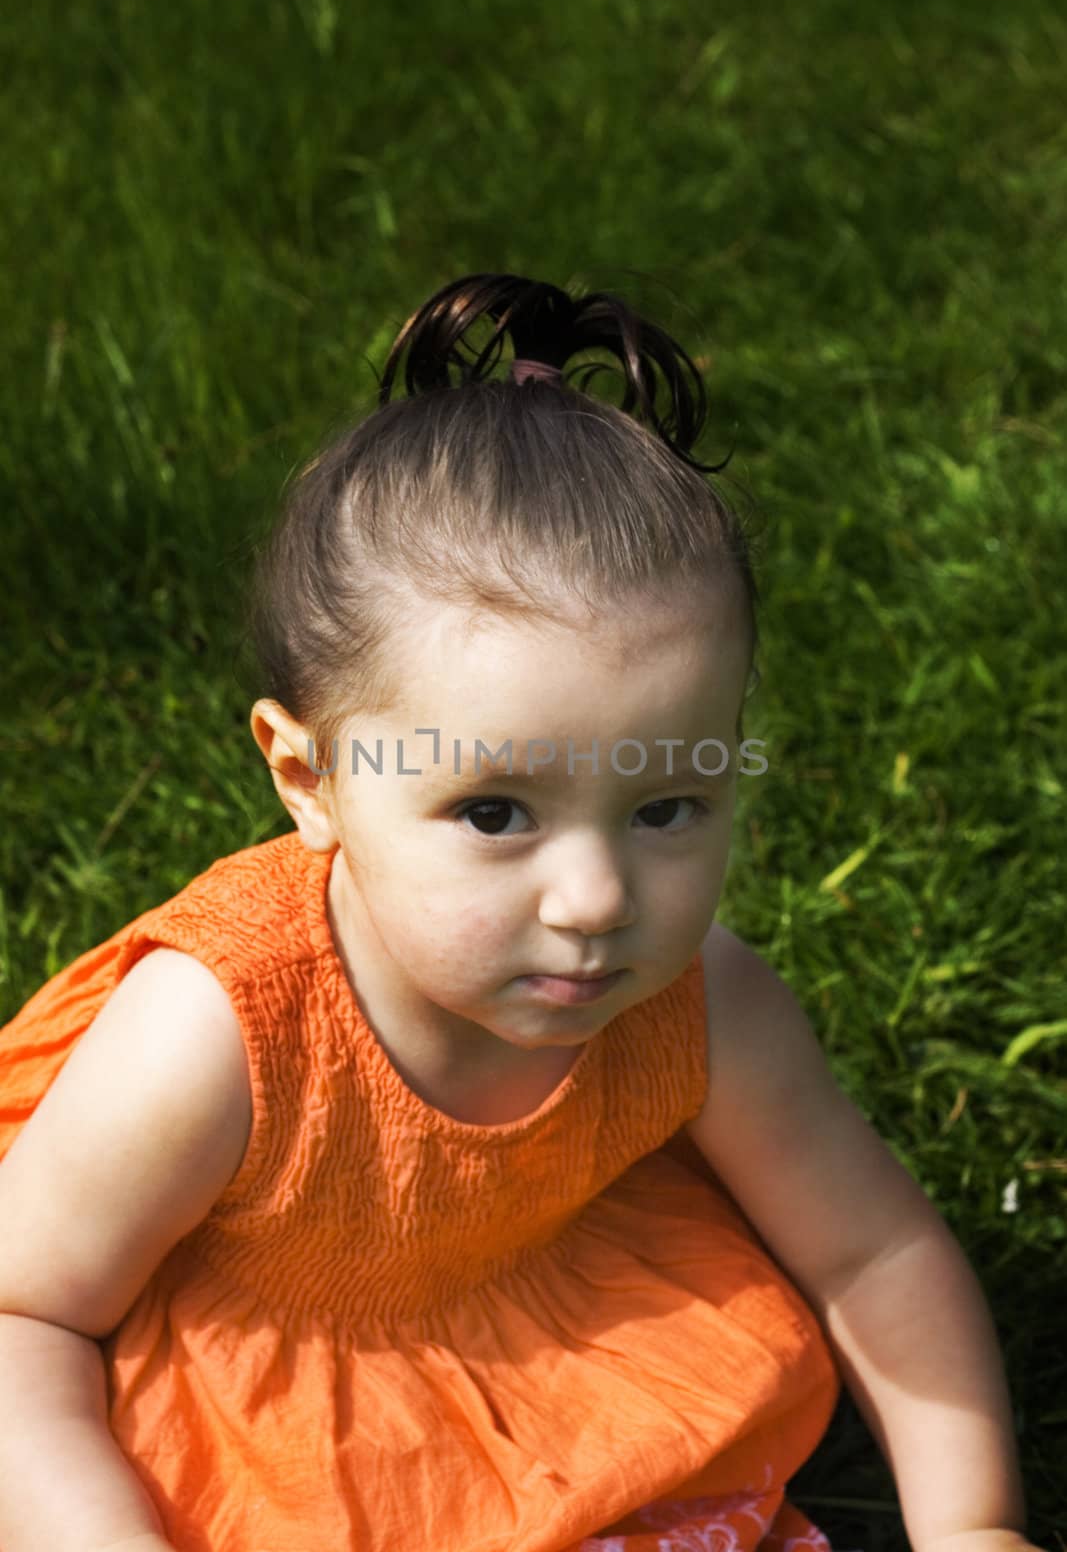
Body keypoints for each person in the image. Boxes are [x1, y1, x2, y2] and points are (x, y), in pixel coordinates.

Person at [0, 273, 1041, 1552]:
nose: (597, 901)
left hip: (562, 1360)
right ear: (309, 779)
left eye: (667, 807)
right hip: (279, 1438)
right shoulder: (216, 1035)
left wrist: (972, 1525)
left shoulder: (699, 1005)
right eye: (495, 812)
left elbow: (870, 1252)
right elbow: (23, 1315)